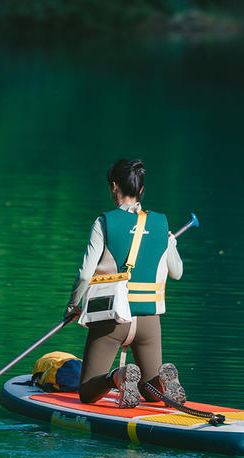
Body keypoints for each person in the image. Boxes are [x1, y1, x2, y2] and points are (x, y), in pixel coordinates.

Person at [64, 158, 186, 408]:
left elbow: (86, 274)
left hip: (111, 317)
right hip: (149, 321)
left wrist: (73, 305)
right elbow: (177, 273)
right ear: (141, 190)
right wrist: (170, 242)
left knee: (87, 391)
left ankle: (117, 377)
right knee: (151, 392)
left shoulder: (104, 222)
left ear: (113, 186)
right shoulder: (161, 223)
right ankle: (163, 381)